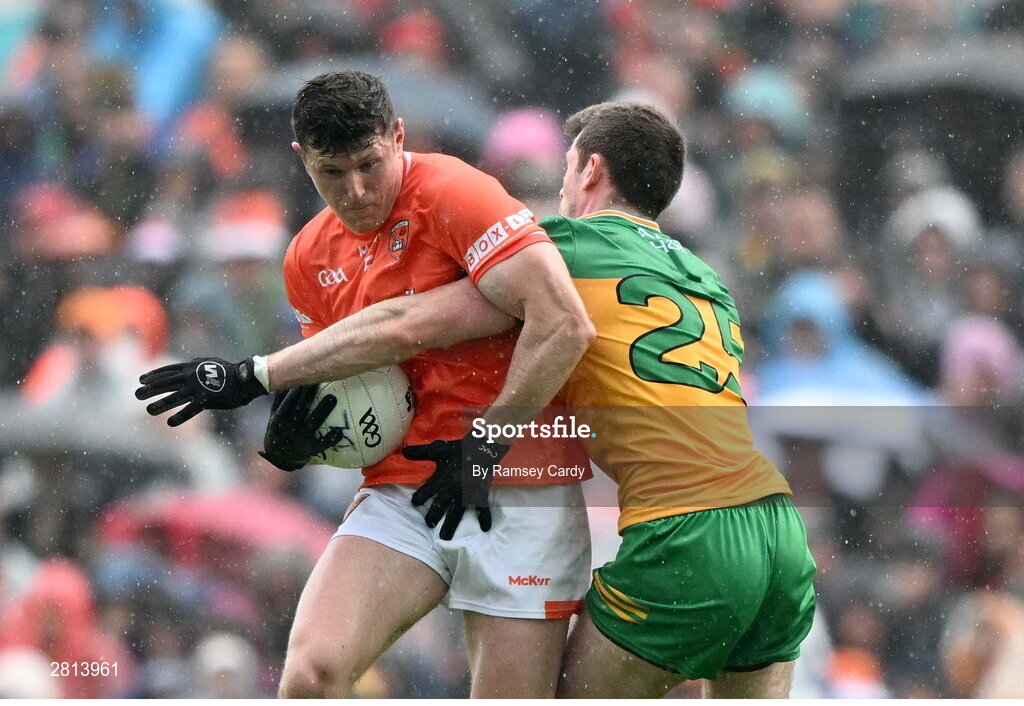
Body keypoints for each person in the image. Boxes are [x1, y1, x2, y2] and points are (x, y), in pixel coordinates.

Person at [244, 101, 816, 697]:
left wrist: (261, 374)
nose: (560, 189)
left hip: (685, 532)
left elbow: (414, 320)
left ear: (589, 171)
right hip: (778, 529)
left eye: (566, 170)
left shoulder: (564, 247)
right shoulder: (706, 278)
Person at [136, 70, 596, 698]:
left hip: (518, 484)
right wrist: (303, 445)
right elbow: (365, 388)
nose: (354, 191)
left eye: (369, 165)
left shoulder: (457, 193)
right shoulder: (305, 258)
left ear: (398, 137)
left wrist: (486, 442)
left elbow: (567, 323)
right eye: (331, 172)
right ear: (302, 160)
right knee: (309, 678)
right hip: (403, 491)